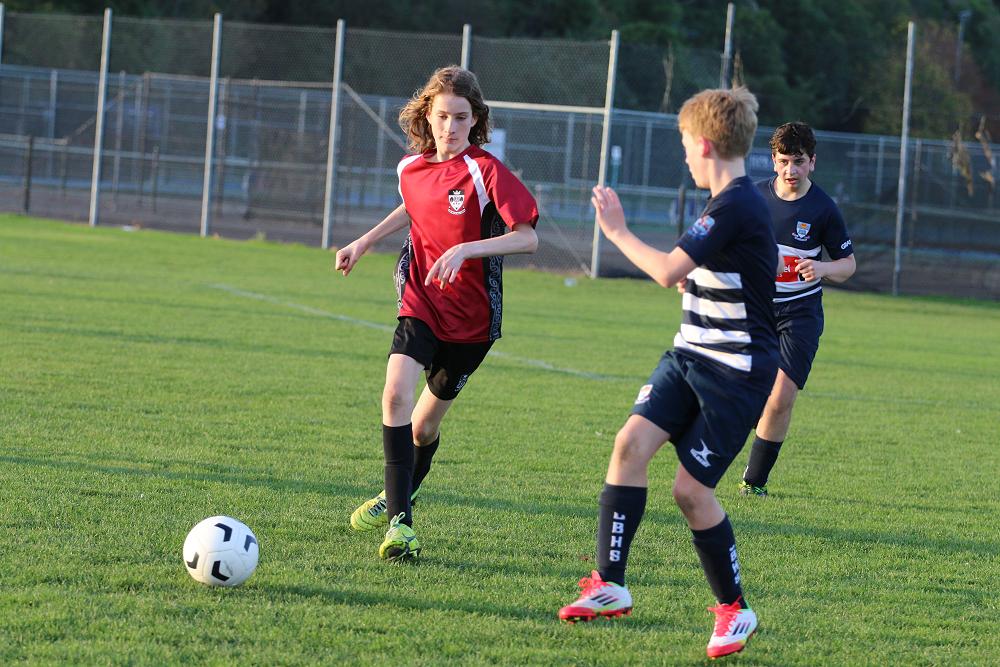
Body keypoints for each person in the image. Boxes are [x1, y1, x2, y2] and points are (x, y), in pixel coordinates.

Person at [557, 87, 778, 660]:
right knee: (629, 445)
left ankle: (735, 609)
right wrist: (696, 278)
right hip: (689, 356)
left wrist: (617, 231)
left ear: (703, 144)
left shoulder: (735, 204)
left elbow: (663, 270)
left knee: (690, 492)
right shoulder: (724, 203)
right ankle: (609, 583)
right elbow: (721, 271)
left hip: (735, 376)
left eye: (684, 144)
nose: (683, 155)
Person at [335, 66, 539, 562]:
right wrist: (364, 241)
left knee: (423, 430)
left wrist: (468, 248)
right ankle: (401, 524)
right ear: (427, 115)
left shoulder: (486, 171)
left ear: (476, 120)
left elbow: (528, 238)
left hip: (472, 321)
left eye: (461, 117)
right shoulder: (410, 168)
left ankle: (399, 489)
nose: (450, 126)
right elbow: (413, 206)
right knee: (394, 395)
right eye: (443, 116)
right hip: (421, 299)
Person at [739, 122, 856, 497]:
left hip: (800, 314)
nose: (792, 170)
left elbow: (848, 265)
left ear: (813, 162)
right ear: (773, 160)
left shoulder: (823, 209)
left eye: (799, 161)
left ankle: (754, 483)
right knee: (742, 392)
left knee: (782, 397)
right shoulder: (753, 197)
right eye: (784, 161)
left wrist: (822, 267)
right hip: (754, 309)